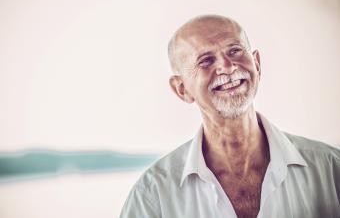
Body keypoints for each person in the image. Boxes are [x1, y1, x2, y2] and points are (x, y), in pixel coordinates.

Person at [119, 15, 340, 218]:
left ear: (257, 64)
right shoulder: (152, 195)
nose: (227, 66)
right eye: (205, 60)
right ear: (182, 89)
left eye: (235, 51)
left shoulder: (330, 170)